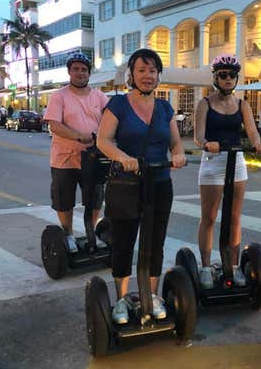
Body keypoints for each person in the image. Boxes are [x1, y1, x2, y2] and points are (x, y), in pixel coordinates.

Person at [96, 48, 186, 324]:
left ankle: (152, 294)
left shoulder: (164, 107)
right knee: (124, 241)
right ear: (131, 75)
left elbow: (175, 141)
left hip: (159, 183)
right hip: (127, 184)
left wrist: (179, 154)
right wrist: (123, 158)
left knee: (155, 241)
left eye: (152, 70)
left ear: (158, 76)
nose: (148, 76)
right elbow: (103, 140)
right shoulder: (118, 105)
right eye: (142, 70)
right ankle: (122, 298)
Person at [193, 54, 261, 289]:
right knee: (210, 217)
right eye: (223, 74)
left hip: (236, 161)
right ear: (215, 77)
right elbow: (198, 136)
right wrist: (207, 143)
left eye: (231, 75)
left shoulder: (242, 104)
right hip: (213, 161)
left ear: (236, 78)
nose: (227, 78)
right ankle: (205, 266)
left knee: (234, 217)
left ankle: (233, 266)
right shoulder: (204, 104)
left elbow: (252, 131)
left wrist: (257, 143)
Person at [43, 53, 109, 253]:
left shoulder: (100, 97)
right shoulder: (59, 96)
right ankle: (68, 234)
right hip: (65, 159)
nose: (80, 73)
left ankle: (91, 232)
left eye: (84, 69)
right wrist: (78, 136)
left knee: (95, 198)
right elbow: (54, 125)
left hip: (93, 158)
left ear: (89, 73)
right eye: (76, 69)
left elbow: (111, 120)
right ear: (69, 72)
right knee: (64, 200)